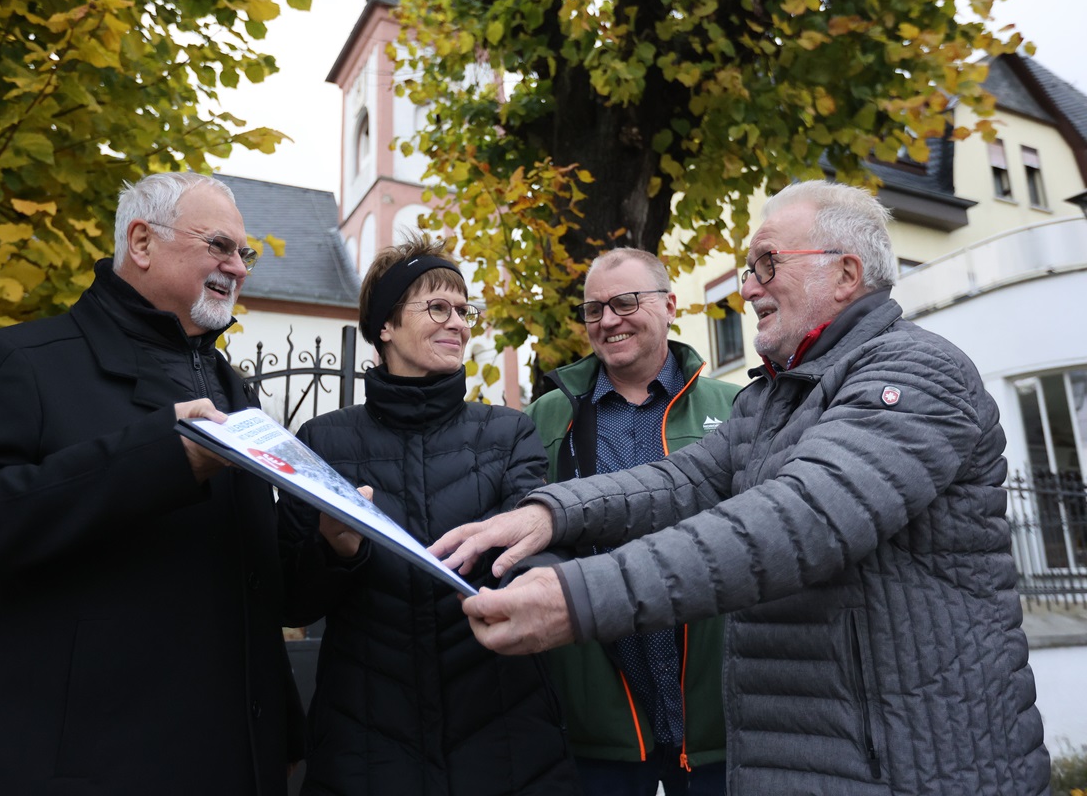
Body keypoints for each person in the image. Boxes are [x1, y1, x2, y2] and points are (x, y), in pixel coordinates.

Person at [432, 180, 1051, 795]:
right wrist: (549, 513)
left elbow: (796, 521)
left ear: (845, 274)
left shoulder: (916, 372)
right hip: (808, 755)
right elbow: (684, 481)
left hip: (912, 765)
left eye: (766, 265)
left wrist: (577, 598)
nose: (749, 288)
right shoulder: (773, 399)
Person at [0, 172, 306, 794]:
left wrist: (331, 543)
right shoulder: (16, 362)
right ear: (141, 242)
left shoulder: (229, 389)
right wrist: (161, 459)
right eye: (219, 246)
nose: (239, 268)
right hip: (94, 768)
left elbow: (258, 589)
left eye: (242, 253)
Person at [278, 234, 579, 796]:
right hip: (366, 740)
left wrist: (510, 576)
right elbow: (292, 600)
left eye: (464, 311)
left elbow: (538, 558)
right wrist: (336, 551)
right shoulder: (323, 441)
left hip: (503, 732)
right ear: (385, 326)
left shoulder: (507, 433)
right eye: (438, 307)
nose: (459, 324)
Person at [524, 247, 739, 795]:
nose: (609, 320)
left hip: (718, 718)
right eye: (594, 309)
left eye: (625, 302)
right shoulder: (547, 418)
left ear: (669, 305)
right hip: (603, 724)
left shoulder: (738, 407)